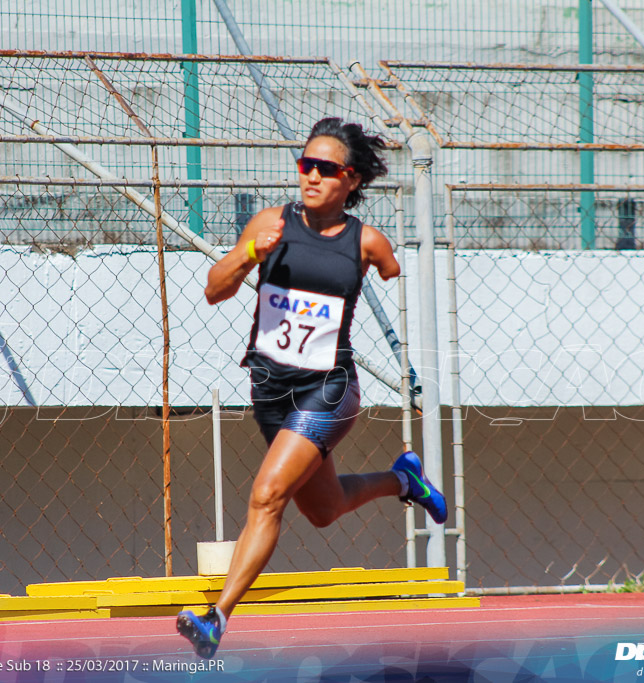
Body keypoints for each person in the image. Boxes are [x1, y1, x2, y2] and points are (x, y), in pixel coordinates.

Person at [176, 117, 447, 659]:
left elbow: (399, 272)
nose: (312, 176)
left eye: (327, 169)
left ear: (351, 180)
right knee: (324, 509)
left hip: (330, 387)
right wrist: (252, 253)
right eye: (306, 166)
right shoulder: (269, 222)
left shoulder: (367, 242)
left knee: (267, 495)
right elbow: (213, 290)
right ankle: (403, 481)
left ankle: (216, 618)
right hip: (271, 388)